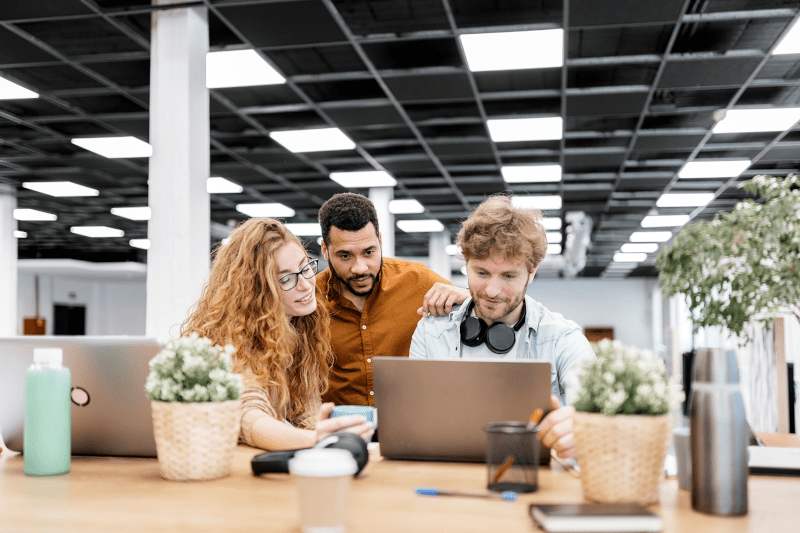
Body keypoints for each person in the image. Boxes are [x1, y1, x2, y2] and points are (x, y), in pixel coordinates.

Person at [409, 195, 596, 459]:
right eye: (482, 273)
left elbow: (600, 416)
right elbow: (413, 419)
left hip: (532, 477)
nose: (492, 291)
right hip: (446, 474)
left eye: (508, 276)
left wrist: (584, 425)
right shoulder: (431, 332)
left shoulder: (563, 338)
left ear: (532, 271)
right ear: (466, 264)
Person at [182, 218, 373, 451]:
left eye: (305, 267)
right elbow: (249, 416)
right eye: (285, 279)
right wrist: (316, 440)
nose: (305, 285)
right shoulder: (235, 341)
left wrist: (324, 432)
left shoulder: (302, 329)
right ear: (256, 291)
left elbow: (306, 413)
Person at [317, 193, 469, 406]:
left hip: (409, 426)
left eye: (369, 252)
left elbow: (485, 310)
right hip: (340, 430)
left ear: (380, 241)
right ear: (325, 250)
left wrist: (468, 297)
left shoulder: (417, 280)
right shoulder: (309, 298)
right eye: (345, 256)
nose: (360, 268)